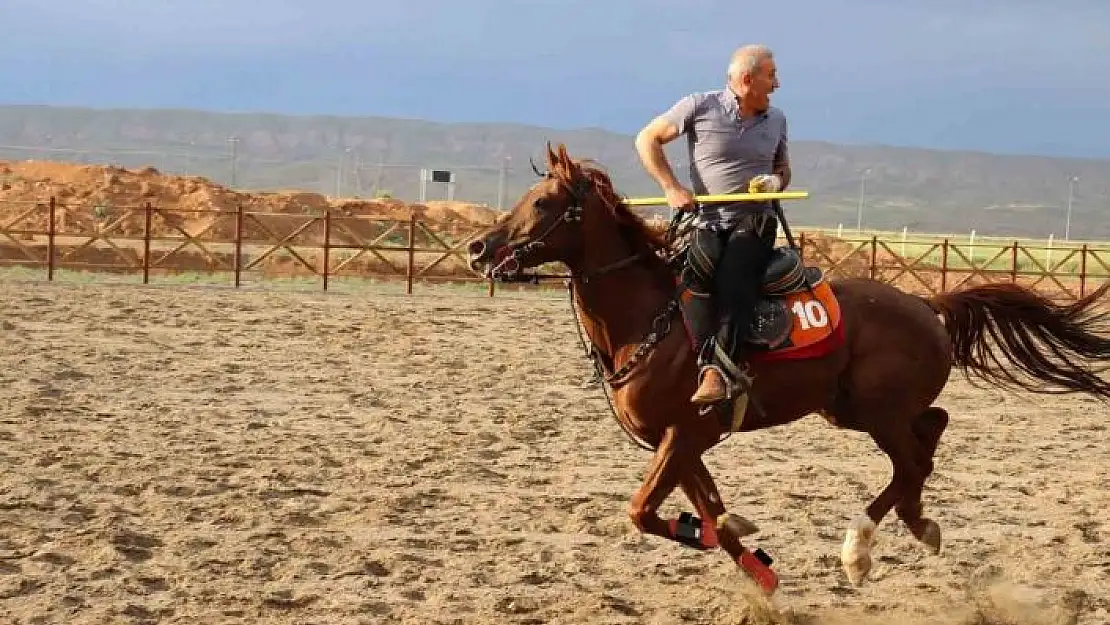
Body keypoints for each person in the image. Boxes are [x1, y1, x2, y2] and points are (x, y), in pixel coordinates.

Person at [634, 44, 791, 406]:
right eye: (772, 75)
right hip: (708, 219)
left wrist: (776, 183)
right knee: (694, 278)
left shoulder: (778, 120)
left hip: (755, 219)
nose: (777, 83)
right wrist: (671, 188)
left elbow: (784, 169)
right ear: (747, 79)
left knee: (735, 276)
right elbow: (646, 139)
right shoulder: (698, 105)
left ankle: (718, 371)